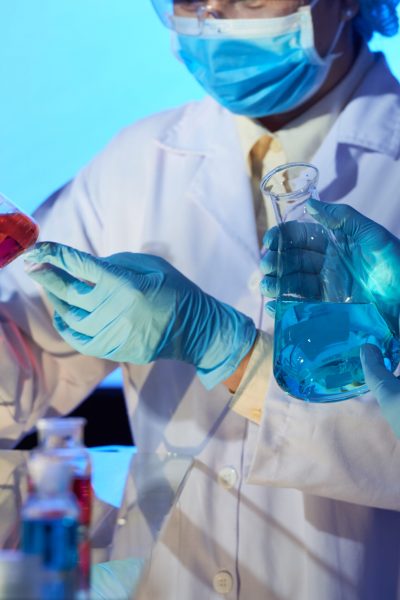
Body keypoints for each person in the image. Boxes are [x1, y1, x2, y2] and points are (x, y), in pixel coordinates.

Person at [2, 0, 400, 598]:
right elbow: (23, 360)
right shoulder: (138, 161)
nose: (213, 12)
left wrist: (232, 351)